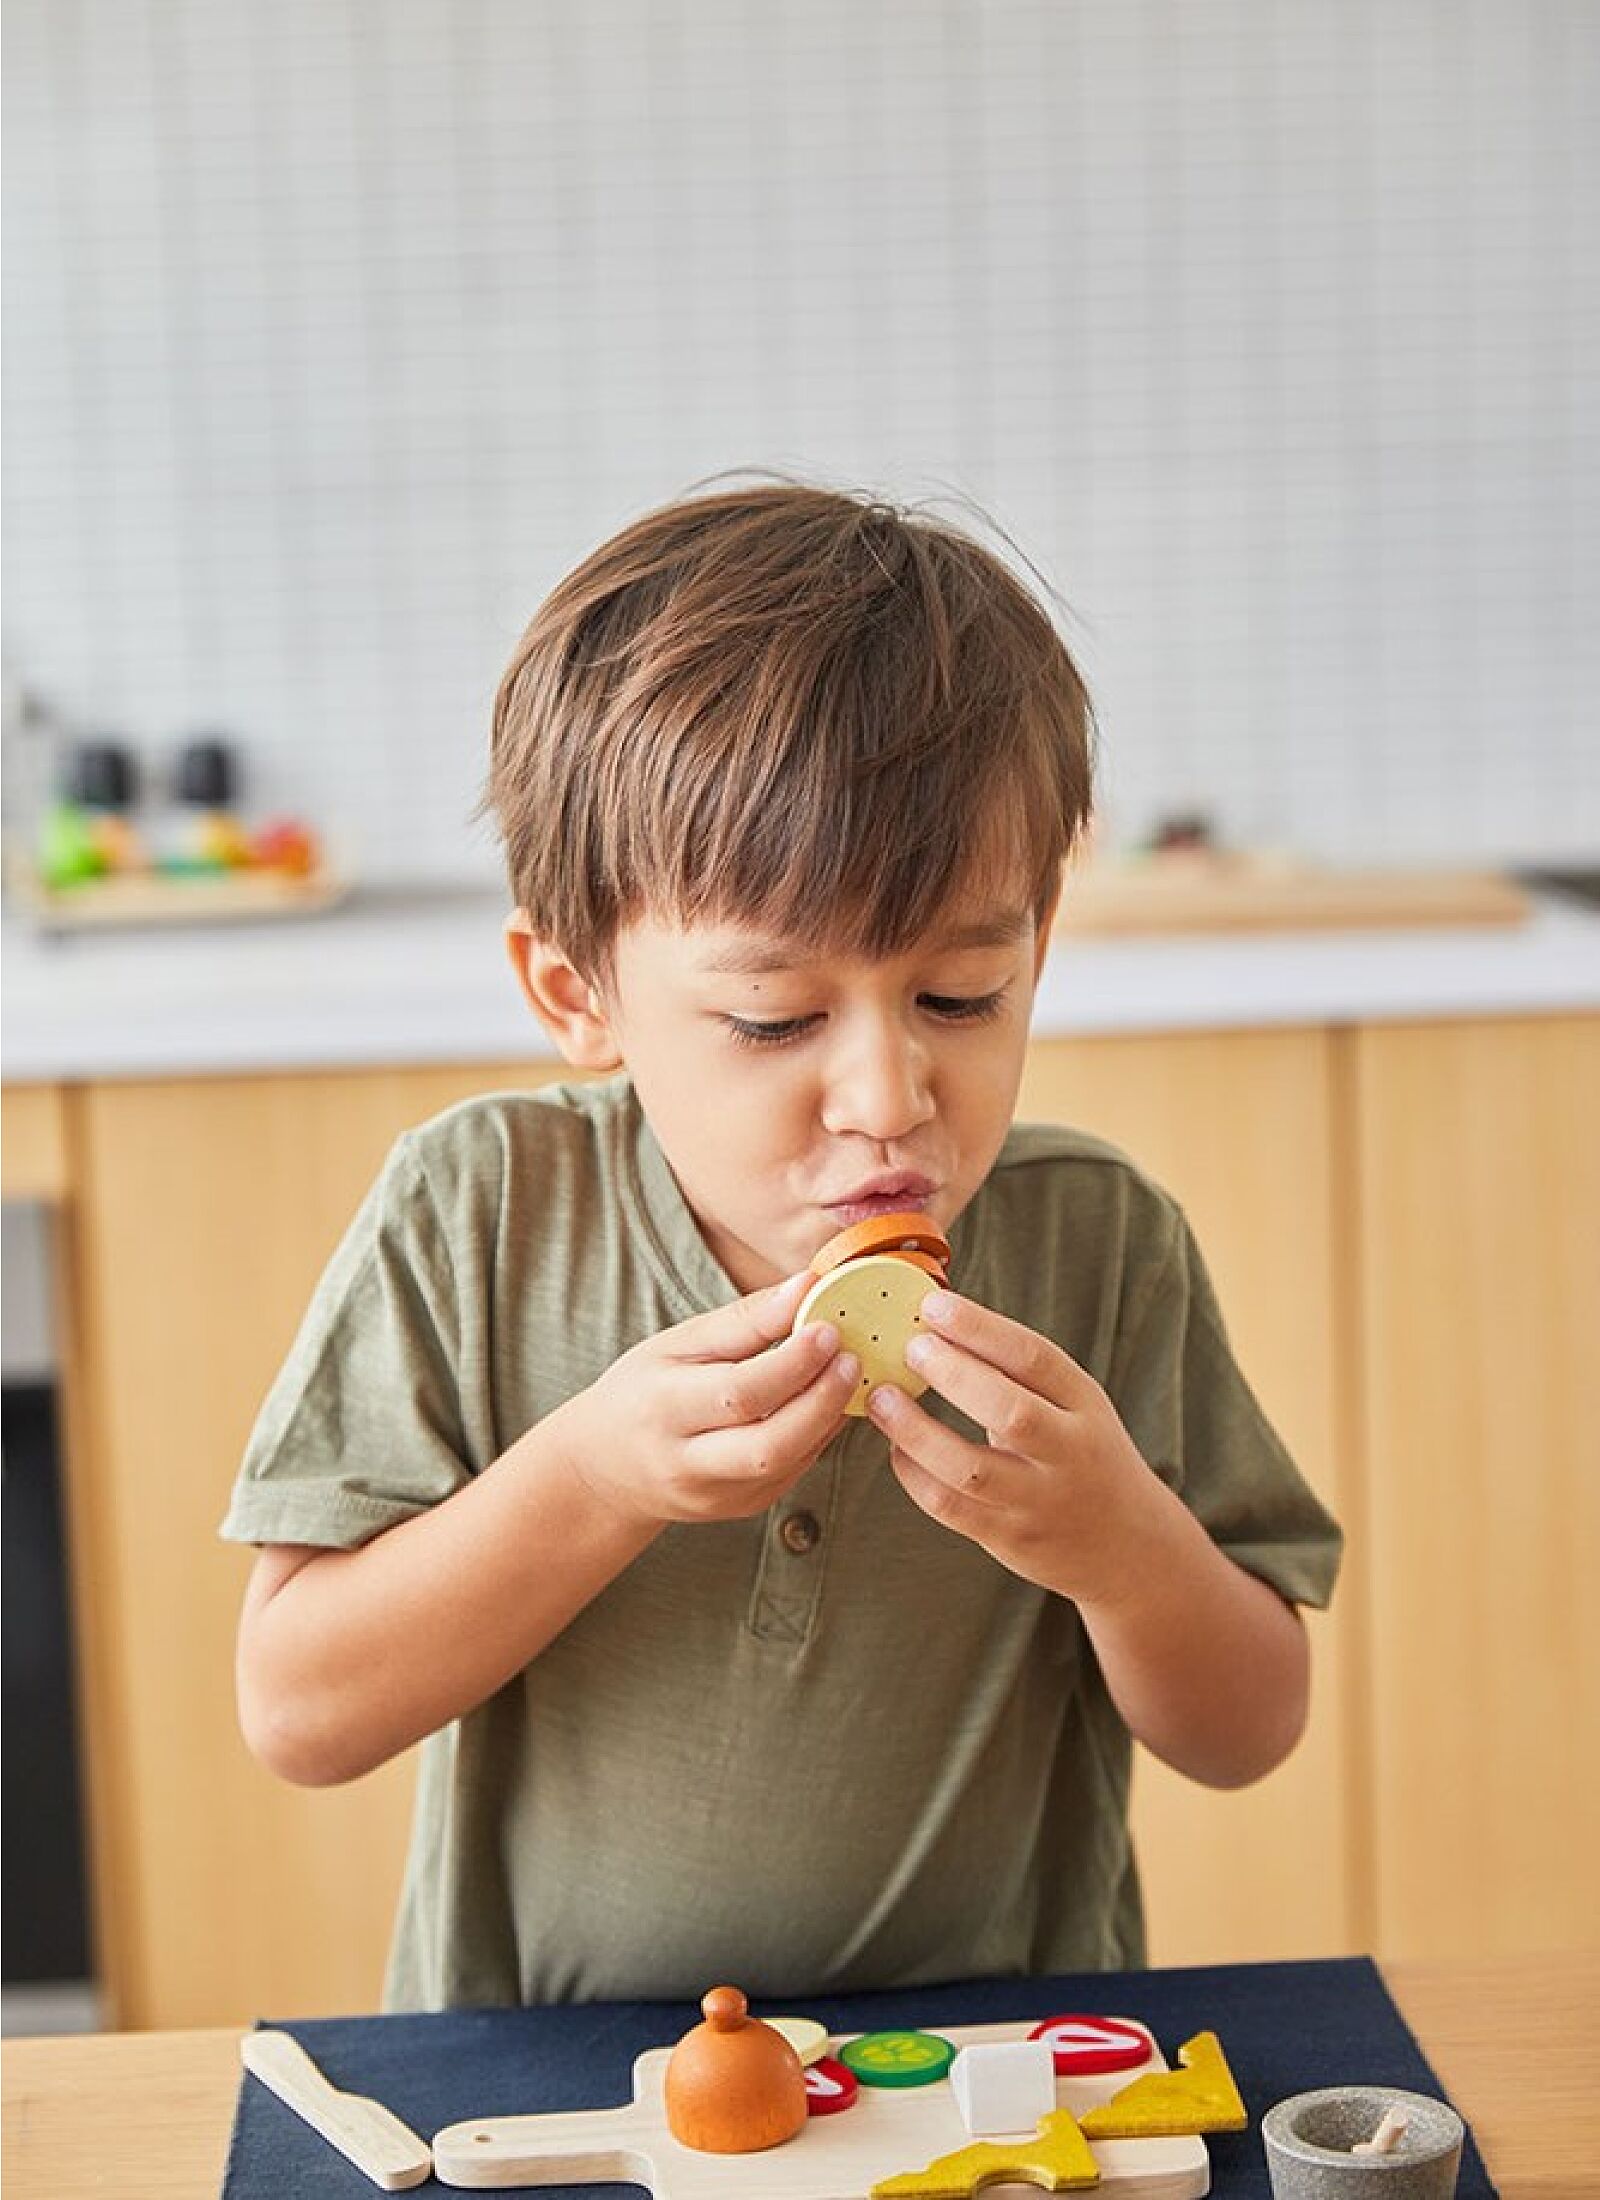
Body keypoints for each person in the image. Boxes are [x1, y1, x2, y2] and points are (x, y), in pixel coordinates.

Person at [223, 481, 1341, 2012]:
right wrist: (592, 1481)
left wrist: (1121, 1548)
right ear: (577, 997)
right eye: (773, 1018)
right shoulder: (476, 1213)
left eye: (961, 997)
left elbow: (1248, 1731)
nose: (890, 1097)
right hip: (551, 2084)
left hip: (996, 2079)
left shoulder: (1100, 1241)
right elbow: (299, 1716)